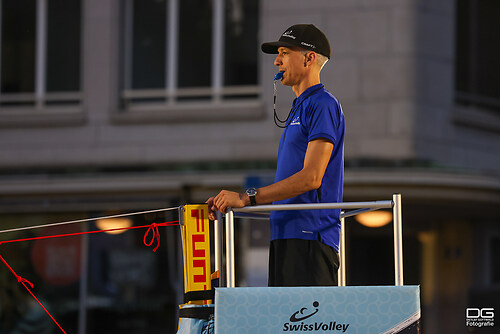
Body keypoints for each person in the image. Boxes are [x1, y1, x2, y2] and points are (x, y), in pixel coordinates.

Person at [206, 24, 345, 287]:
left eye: (284, 52)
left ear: (309, 58)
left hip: (309, 238)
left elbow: (312, 177)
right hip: (285, 235)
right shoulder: (301, 106)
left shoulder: (323, 104)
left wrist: (247, 197)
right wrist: (233, 203)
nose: (277, 61)